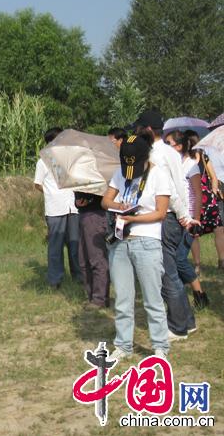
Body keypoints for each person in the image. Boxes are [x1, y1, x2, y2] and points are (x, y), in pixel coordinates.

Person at [102, 132, 170, 361]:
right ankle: (123, 345)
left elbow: (160, 213)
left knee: (153, 298)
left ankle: (160, 346)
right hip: (121, 243)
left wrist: (133, 218)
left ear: (147, 156)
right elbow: (105, 201)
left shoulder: (159, 175)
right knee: (122, 298)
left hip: (147, 242)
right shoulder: (121, 173)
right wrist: (119, 205)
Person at [132, 111, 197, 342]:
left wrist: (182, 215)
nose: (136, 132)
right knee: (172, 274)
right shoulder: (170, 151)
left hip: (167, 216)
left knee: (167, 274)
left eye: (138, 128)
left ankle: (177, 327)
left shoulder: (155, 154)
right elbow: (180, 184)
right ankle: (187, 322)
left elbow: (168, 188)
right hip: (174, 216)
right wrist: (185, 215)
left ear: (148, 130)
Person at [34, 127, 83, 289]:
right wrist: (51, 193)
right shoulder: (43, 162)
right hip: (55, 209)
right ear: (51, 142)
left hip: (72, 207)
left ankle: (78, 275)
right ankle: (55, 279)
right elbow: (38, 184)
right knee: (56, 245)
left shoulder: (70, 160)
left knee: (75, 243)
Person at [165, 131, 209, 309]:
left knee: (180, 259)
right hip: (174, 218)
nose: (167, 147)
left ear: (180, 146)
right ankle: (178, 296)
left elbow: (198, 195)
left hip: (190, 219)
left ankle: (199, 293)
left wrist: (195, 220)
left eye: (170, 144)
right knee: (173, 261)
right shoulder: (171, 165)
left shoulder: (191, 165)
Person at [185, 130, 224, 274]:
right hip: (192, 200)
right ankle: (198, 264)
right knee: (195, 232)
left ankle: (221, 260)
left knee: (219, 229)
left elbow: (213, 176)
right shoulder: (180, 160)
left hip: (208, 199)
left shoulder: (202, 156)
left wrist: (213, 193)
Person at [75, 189, 110, 308]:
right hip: (83, 216)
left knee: (97, 259)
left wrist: (89, 200)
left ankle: (100, 299)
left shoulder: (97, 172)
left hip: (96, 216)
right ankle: (92, 296)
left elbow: (102, 193)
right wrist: (78, 201)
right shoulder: (80, 174)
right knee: (83, 260)